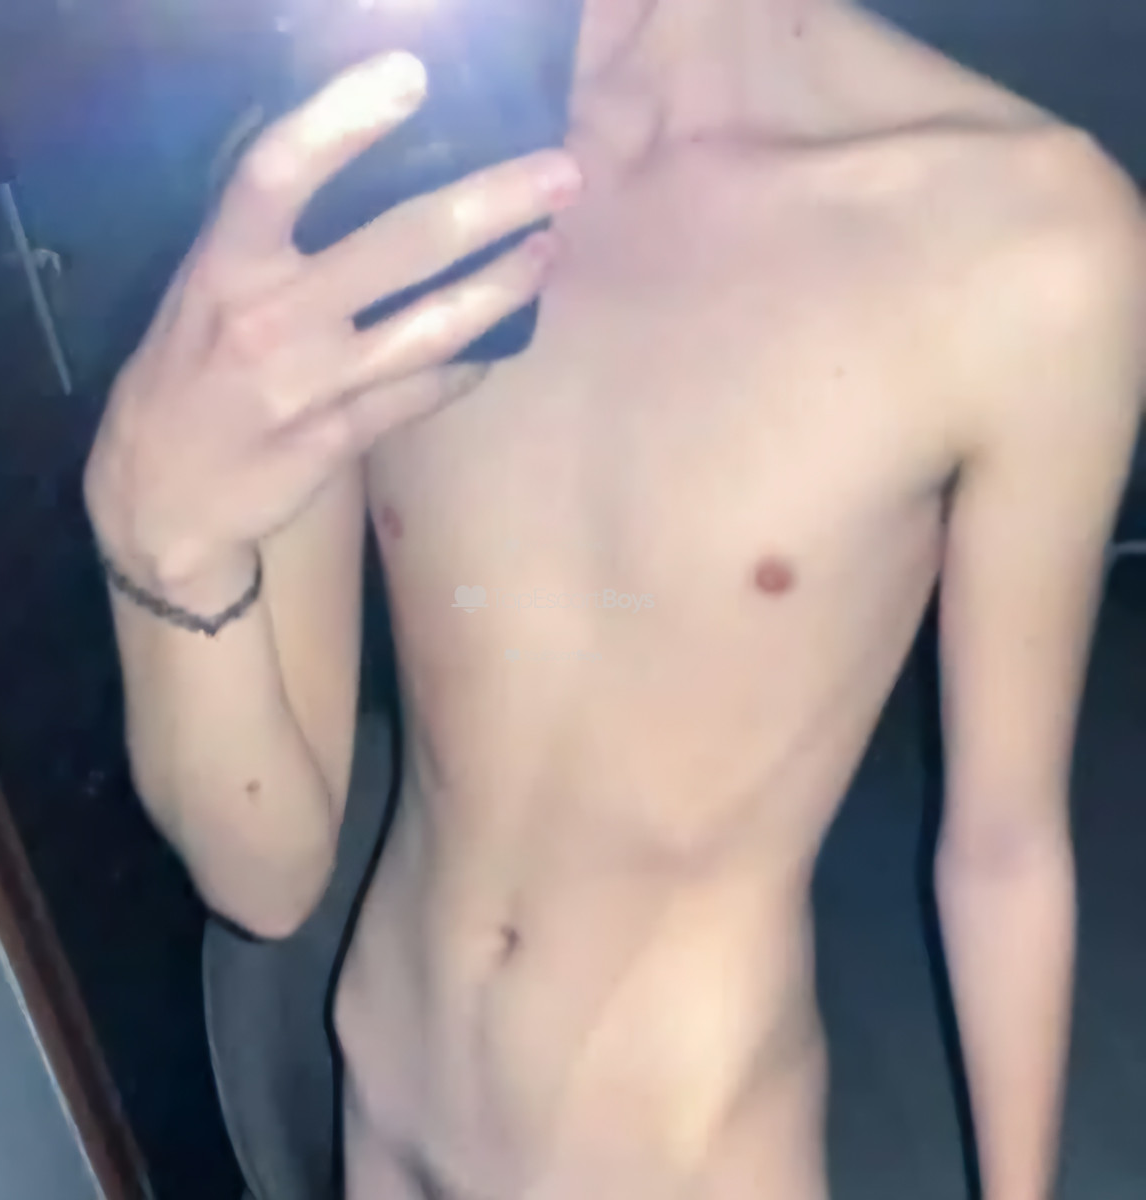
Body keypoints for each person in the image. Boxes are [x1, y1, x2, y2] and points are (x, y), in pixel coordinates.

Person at [83, 1, 1146, 1196]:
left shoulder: (1030, 243)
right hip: (384, 1122)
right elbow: (266, 880)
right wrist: (161, 545)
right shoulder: (370, 170)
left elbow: (1003, 847)